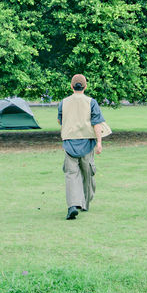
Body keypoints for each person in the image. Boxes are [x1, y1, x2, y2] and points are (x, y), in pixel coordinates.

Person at [58, 73, 106, 220]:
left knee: (71, 175)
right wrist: (99, 142)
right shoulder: (91, 102)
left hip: (70, 143)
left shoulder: (63, 102)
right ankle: (84, 203)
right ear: (85, 86)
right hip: (87, 142)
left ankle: (73, 205)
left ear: (71, 86)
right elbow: (96, 123)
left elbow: (61, 121)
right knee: (87, 173)